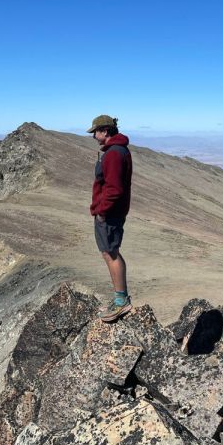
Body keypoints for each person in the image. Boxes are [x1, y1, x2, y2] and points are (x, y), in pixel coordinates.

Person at [88, 114, 133, 322]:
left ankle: (121, 301)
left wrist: (102, 211)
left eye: (95, 132)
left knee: (110, 252)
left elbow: (114, 189)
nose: (94, 136)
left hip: (110, 214)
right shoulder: (117, 151)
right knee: (109, 252)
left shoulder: (114, 154)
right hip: (111, 212)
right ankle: (119, 298)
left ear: (105, 131)